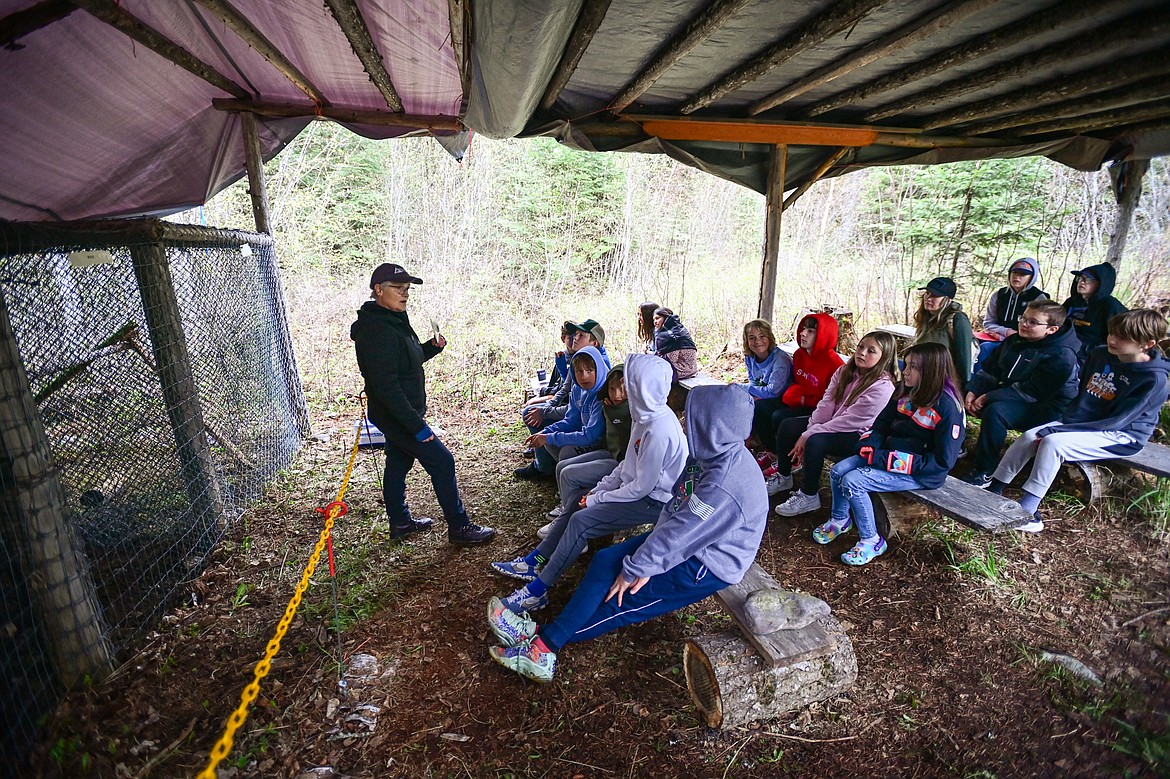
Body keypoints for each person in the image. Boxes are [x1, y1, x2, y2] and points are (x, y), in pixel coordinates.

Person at [486, 383, 768, 683]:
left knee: (622, 600)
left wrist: (640, 567)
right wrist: (644, 558)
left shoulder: (723, 484)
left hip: (708, 564)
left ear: (713, 425)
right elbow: (677, 506)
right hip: (688, 540)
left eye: (692, 416)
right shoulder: (708, 455)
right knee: (606, 560)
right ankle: (539, 635)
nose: (685, 420)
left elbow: (684, 534)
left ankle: (542, 648)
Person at [489, 354, 687, 613]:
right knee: (575, 500)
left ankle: (537, 591)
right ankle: (534, 560)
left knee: (582, 521)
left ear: (643, 386)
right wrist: (601, 488)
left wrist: (597, 499)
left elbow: (642, 487)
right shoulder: (644, 418)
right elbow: (626, 465)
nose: (624, 389)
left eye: (630, 383)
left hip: (657, 501)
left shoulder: (659, 429)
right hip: (640, 491)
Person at [350, 263, 495, 545]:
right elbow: (386, 387)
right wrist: (417, 427)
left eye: (407, 290)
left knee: (398, 462)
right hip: (398, 416)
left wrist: (430, 348)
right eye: (398, 289)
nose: (405, 295)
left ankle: (401, 522)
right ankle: (460, 527)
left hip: (400, 414)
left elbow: (405, 362)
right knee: (442, 461)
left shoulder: (393, 319)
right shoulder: (377, 330)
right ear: (378, 290)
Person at [986, 309, 1169, 533]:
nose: (1112, 339)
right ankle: (993, 489)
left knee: (1053, 444)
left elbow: (1116, 421)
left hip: (1123, 433)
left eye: (1122, 337)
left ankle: (1029, 512)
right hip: (1083, 421)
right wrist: (1064, 423)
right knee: (1030, 436)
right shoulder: (1101, 355)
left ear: (1147, 344)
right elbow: (1083, 395)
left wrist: (1058, 430)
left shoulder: (1154, 379)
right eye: (1112, 333)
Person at [813, 343, 965, 566]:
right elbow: (881, 425)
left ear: (930, 372)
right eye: (907, 364)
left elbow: (941, 463)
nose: (905, 371)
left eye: (913, 367)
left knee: (854, 481)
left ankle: (871, 540)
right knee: (838, 471)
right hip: (888, 454)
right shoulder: (905, 391)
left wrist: (880, 458)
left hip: (921, 472)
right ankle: (840, 519)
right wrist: (872, 445)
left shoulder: (947, 408)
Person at [773, 331, 899, 517]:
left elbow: (851, 420)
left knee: (816, 441)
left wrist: (810, 434)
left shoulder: (882, 387)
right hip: (833, 423)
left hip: (859, 434)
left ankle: (809, 496)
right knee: (788, 425)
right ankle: (784, 476)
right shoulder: (845, 371)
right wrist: (810, 427)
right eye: (861, 347)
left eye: (871, 351)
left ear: (884, 358)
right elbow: (826, 403)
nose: (862, 353)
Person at [963, 300, 1080, 487]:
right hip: (1016, 394)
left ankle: (984, 471)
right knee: (958, 393)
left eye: (1033, 322)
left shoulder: (1062, 355)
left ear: (1052, 329)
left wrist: (987, 397)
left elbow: (1032, 392)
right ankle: (953, 448)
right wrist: (972, 390)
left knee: (996, 411)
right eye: (1023, 318)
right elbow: (990, 370)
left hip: (1051, 408)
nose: (1024, 324)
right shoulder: (1014, 340)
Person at [536, 365, 631, 539]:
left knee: (568, 473)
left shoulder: (635, 409)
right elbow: (572, 419)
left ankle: (571, 529)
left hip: (623, 463)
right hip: (612, 455)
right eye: (612, 389)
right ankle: (567, 513)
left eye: (623, 389)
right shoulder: (605, 402)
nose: (617, 395)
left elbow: (602, 437)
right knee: (562, 466)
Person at [762, 312, 844, 494]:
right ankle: (776, 454)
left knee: (782, 418)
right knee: (762, 409)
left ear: (824, 335)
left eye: (811, 331)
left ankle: (789, 465)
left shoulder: (834, 365)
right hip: (798, 400)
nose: (803, 334)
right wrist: (796, 396)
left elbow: (832, 401)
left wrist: (803, 399)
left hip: (818, 409)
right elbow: (797, 382)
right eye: (803, 329)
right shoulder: (799, 355)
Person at [515, 346, 609, 481]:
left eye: (589, 370)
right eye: (579, 371)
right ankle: (565, 475)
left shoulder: (601, 395)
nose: (584, 376)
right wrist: (545, 432)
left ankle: (573, 480)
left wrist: (550, 437)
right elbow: (571, 420)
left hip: (600, 442)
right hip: (586, 435)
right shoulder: (578, 389)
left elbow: (590, 436)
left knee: (565, 451)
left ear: (598, 369)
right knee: (548, 439)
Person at [974, 258, 1048, 375]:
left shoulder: (1039, 298)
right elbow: (988, 322)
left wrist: (1007, 337)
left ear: (1031, 277)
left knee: (986, 348)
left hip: (1023, 342)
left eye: (1023, 274)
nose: (1017, 277)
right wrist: (1005, 332)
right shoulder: (999, 295)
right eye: (1014, 273)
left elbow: (1039, 331)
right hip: (996, 337)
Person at [1061, 262, 1128, 366]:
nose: (1081, 282)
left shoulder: (1111, 306)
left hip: (1090, 356)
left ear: (1100, 284)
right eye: (1080, 278)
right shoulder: (1072, 302)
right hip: (1064, 349)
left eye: (1088, 280)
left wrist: (1088, 350)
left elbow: (1119, 338)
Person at [741, 318, 793, 449]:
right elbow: (754, 381)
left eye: (762, 336)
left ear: (769, 338)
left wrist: (742, 388)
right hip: (764, 395)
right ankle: (746, 441)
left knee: (758, 407)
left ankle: (771, 449)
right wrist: (751, 394)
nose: (757, 341)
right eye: (752, 338)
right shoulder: (750, 357)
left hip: (783, 398)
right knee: (740, 401)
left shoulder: (780, 359)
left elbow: (773, 391)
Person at [913, 276, 974, 385]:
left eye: (935, 295)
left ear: (948, 299)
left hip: (942, 380)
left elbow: (964, 360)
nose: (928, 298)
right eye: (927, 293)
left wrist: (960, 388)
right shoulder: (926, 317)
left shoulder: (957, 320)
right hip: (920, 372)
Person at [653, 307, 699, 380]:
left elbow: (671, 359)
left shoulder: (672, 335)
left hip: (683, 370)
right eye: (654, 319)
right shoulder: (674, 329)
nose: (655, 322)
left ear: (666, 318)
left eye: (657, 318)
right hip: (683, 368)